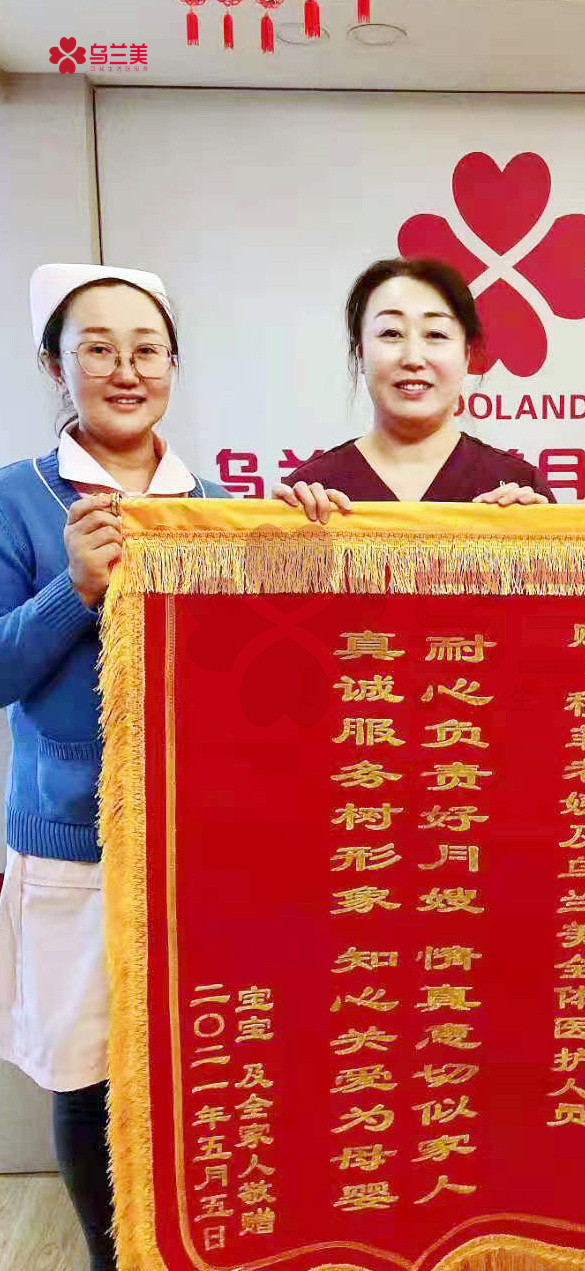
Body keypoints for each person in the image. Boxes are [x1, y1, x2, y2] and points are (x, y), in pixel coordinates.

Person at [0, 264, 227, 1271]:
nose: (126, 370)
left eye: (147, 349)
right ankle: (108, 1258)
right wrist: (75, 589)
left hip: (200, 846)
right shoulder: (19, 497)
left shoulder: (214, 506)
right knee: (87, 1074)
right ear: (56, 365)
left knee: (192, 1065)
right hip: (73, 843)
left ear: (173, 365)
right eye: (98, 348)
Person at [275, 258, 554, 516]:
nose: (412, 358)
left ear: (466, 356)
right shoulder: (310, 494)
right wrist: (280, 530)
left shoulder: (519, 489)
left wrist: (541, 538)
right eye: (391, 333)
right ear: (360, 355)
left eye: (435, 334)